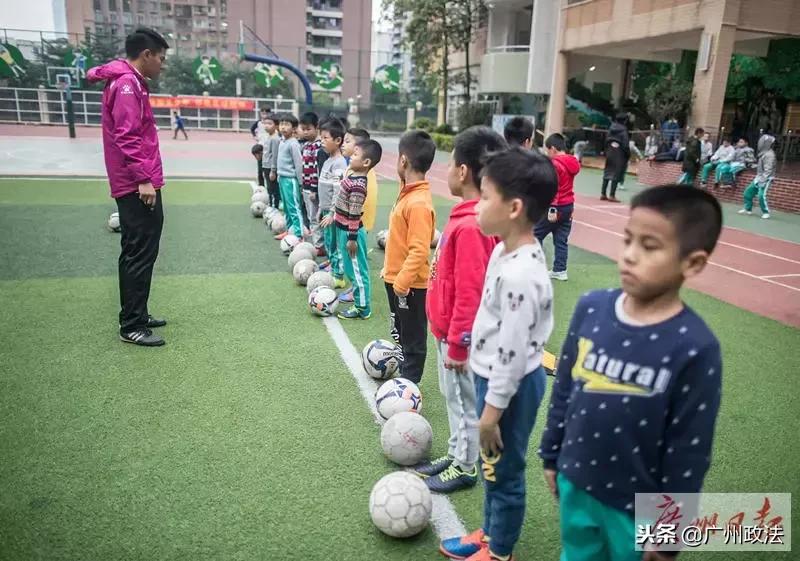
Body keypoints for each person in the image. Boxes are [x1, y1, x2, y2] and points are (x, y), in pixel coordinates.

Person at [539, 185, 723, 561]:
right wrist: (551, 454)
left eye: (650, 246)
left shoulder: (696, 347)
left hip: (636, 506)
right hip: (576, 482)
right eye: (627, 240)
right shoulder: (591, 308)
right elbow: (565, 388)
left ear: (693, 263)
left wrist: (669, 530)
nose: (629, 256)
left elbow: (689, 448)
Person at [439, 148, 557, 561]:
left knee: (504, 471)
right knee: (493, 467)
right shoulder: (503, 251)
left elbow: (512, 351)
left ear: (514, 208)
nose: (477, 206)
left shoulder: (521, 274)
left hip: (511, 384)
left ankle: (500, 551)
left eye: (485, 197)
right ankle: (489, 533)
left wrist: (489, 413)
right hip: (496, 377)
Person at [415, 126, 507, 494]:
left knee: (465, 400)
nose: (448, 170)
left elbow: (471, 292)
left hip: (460, 339)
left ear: (464, 171)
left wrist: (458, 344)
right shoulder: (467, 216)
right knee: (453, 397)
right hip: (447, 330)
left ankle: (466, 465)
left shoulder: (472, 225)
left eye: (451, 163)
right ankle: (457, 453)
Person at [87, 27, 170, 347]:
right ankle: (132, 324)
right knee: (138, 250)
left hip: (139, 178)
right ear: (146, 55)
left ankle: (138, 312)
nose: (162, 65)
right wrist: (143, 179)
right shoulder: (125, 84)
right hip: (135, 182)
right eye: (161, 58)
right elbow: (127, 136)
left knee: (144, 248)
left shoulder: (131, 80)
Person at [382, 130, 437, 385]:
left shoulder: (418, 203)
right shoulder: (407, 192)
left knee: (413, 339)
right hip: (395, 279)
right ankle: (405, 373)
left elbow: (419, 249)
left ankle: (409, 386)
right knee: (400, 332)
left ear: (403, 161)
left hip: (410, 286)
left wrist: (402, 283)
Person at [334, 139, 382, 320]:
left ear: (366, 162)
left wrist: (352, 238)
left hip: (350, 233)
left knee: (357, 271)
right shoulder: (352, 176)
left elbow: (354, 213)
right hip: (343, 230)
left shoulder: (359, 185)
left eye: (355, 155)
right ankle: (358, 300)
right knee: (350, 268)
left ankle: (363, 308)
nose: (351, 157)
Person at [536, 133, 580, 282]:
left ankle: (536, 268)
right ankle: (560, 270)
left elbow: (554, 187)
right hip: (568, 206)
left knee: (536, 234)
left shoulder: (554, 164)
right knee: (561, 239)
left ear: (553, 149)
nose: (547, 153)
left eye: (548, 150)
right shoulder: (573, 162)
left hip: (556, 206)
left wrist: (552, 208)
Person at [318, 119, 348, 288]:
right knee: (329, 243)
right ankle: (333, 268)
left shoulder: (339, 163)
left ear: (337, 141)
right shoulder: (328, 160)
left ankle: (338, 276)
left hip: (333, 213)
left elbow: (338, 190)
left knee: (335, 244)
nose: (322, 141)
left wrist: (331, 213)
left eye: (325, 138)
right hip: (325, 210)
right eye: (321, 137)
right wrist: (322, 210)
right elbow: (324, 187)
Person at [275, 114, 304, 240]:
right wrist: (278, 175)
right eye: (281, 124)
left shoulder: (293, 144)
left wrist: (300, 182)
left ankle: (299, 234)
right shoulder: (282, 141)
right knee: (286, 207)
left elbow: (298, 164)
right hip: (282, 178)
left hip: (291, 180)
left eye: (287, 124)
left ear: (294, 128)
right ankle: (289, 231)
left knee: (294, 207)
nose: (283, 127)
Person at [739, 134, 776, 219]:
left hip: (766, 178)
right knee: (748, 192)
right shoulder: (764, 153)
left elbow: (768, 170)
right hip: (759, 177)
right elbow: (760, 167)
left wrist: (763, 181)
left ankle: (766, 212)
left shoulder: (770, 155)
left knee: (761, 195)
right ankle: (748, 209)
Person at [299, 112, 323, 249]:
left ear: (316, 127)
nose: (306, 132)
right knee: (310, 216)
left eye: (309, 129)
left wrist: (314, 189)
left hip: (313, 189)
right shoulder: (307, 145)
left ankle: (319, 245)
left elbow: (316, 170)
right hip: (306, 187)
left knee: (315, 218)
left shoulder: (318, 146)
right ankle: (317, 241)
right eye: (303, 129)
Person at [601, 114, 630, 202]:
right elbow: (625, 144)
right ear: (624, 121)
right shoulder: (623, 130)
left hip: (610, 151)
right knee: (616, 173)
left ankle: (603, 193)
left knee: (607, 171)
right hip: (619, 153)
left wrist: (606, 150)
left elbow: (605, 140)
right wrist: (628, 154)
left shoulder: (611, 128)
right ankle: (612, 195)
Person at [261, 112, 281, 209]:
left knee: (273, 189)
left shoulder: (275, 139)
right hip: (266, 166)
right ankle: (271, 205)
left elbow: (275, 155)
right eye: (265, 123)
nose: (266, 126)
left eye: (269, 123)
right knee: (269, 188)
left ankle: (274, 207)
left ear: (276, 125)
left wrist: (273, 170)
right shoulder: (269, 137)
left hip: (270, 167)